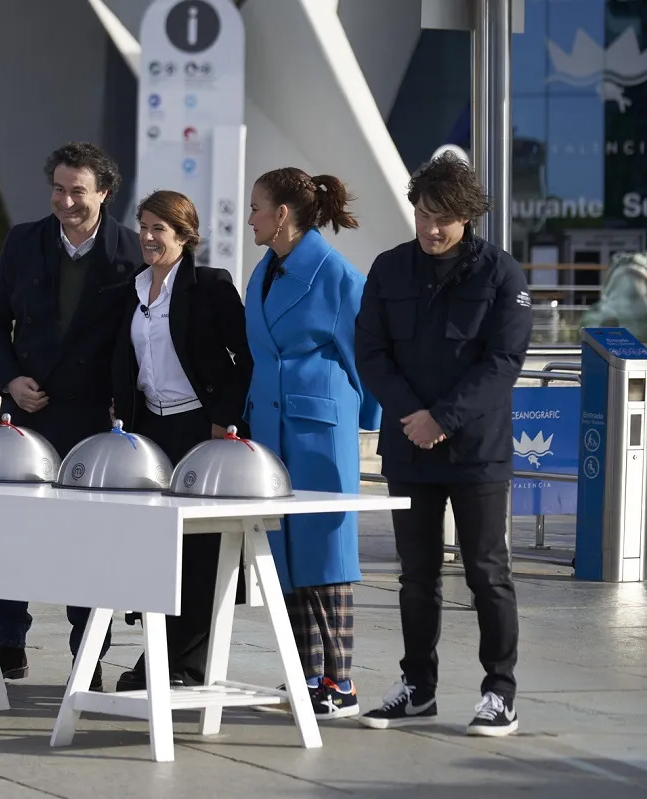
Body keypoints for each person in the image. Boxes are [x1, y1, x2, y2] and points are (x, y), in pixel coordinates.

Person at [354, 151, 531, 736]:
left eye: (443, 219)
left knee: (486, 570)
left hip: (476, 450)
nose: (431, 229)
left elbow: (503, 362)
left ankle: (498, 692)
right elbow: (371, 353)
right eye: (423, 215)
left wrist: (444, 419)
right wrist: (413, 417)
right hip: (409, 446)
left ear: (468, 217)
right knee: (416, 574)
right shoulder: (389, 269)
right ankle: (416, 688)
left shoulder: (501, 274)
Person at [0, 141, 142, 691]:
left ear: (105, 193)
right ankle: (5, 645)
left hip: (93, 421)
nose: (66, 201)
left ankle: (86, 659)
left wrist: (123, 397)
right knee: (10, 529)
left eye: (78, 191)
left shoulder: (131, 252)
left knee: (87, 540)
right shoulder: (23, 241)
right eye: (59, 189)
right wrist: (10, 379)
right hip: (25, 414)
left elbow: (140, 337)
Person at [242, 167, 380, 719]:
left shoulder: (336, 274)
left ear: (282, 215)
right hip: (272, 428)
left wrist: (362, 420)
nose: (249, 216)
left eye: (256, 208)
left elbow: (364, 357)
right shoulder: (267, 270)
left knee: (326, 548)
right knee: (289, 553)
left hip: (318, 428)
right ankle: (305, 676)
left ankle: (340, 681)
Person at [109, 190, 252, 692]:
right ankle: (157, 654)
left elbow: (243, 359)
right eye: (144, 226)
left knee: (201, 552)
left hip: (200, 428)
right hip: (150, 429)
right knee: (156, 549)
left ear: (184, 237)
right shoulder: (130, 287)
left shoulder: (212, 286)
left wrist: (224, 419)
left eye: (159, 229)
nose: (147, 237)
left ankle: (184, 665)